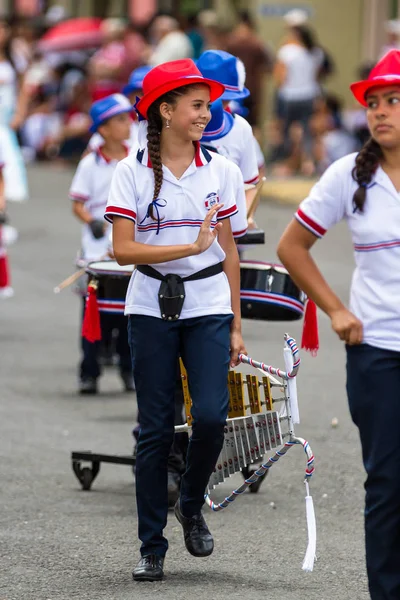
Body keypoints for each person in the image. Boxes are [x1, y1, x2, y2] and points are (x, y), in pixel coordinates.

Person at [105, 58, 246, 582]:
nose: (206, 114)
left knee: (211, 415)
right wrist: (188, 245)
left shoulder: (223, 169)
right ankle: (151, 545)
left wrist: (235, 321)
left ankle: (190, 504)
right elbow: (122, 250)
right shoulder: (131, 169)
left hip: (208, 304)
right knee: (155, 430)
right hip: (149, 308)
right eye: (196, 105)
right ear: (165, 111)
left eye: (207, 105)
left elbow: (228, 251)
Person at [276, 49, 400, 600]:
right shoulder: (348, 175)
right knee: (390, 484)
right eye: (374, 103)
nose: (380, 112)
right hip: (378, 352)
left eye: (393, 101)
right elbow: (292, 246)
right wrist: (336, 309)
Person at [69, 94, 134, 394]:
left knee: (128, 316)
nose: (128, 125)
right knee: (94, 317)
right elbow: (78, 203)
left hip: (126, 251)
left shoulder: (136, 158)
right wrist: (90, 221)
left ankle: (128, 371)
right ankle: (89, 372)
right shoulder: (89, 164)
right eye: (120, 120)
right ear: (103, 129)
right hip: (97, 254)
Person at [273, 24, 323, 175]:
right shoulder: (315, 52)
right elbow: (316, 75)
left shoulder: (287, 51)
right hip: (309, 94)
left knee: (286, 130)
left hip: (290, 95)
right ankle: (308, 163)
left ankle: (286, 164)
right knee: (308, 131)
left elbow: (280, 76)